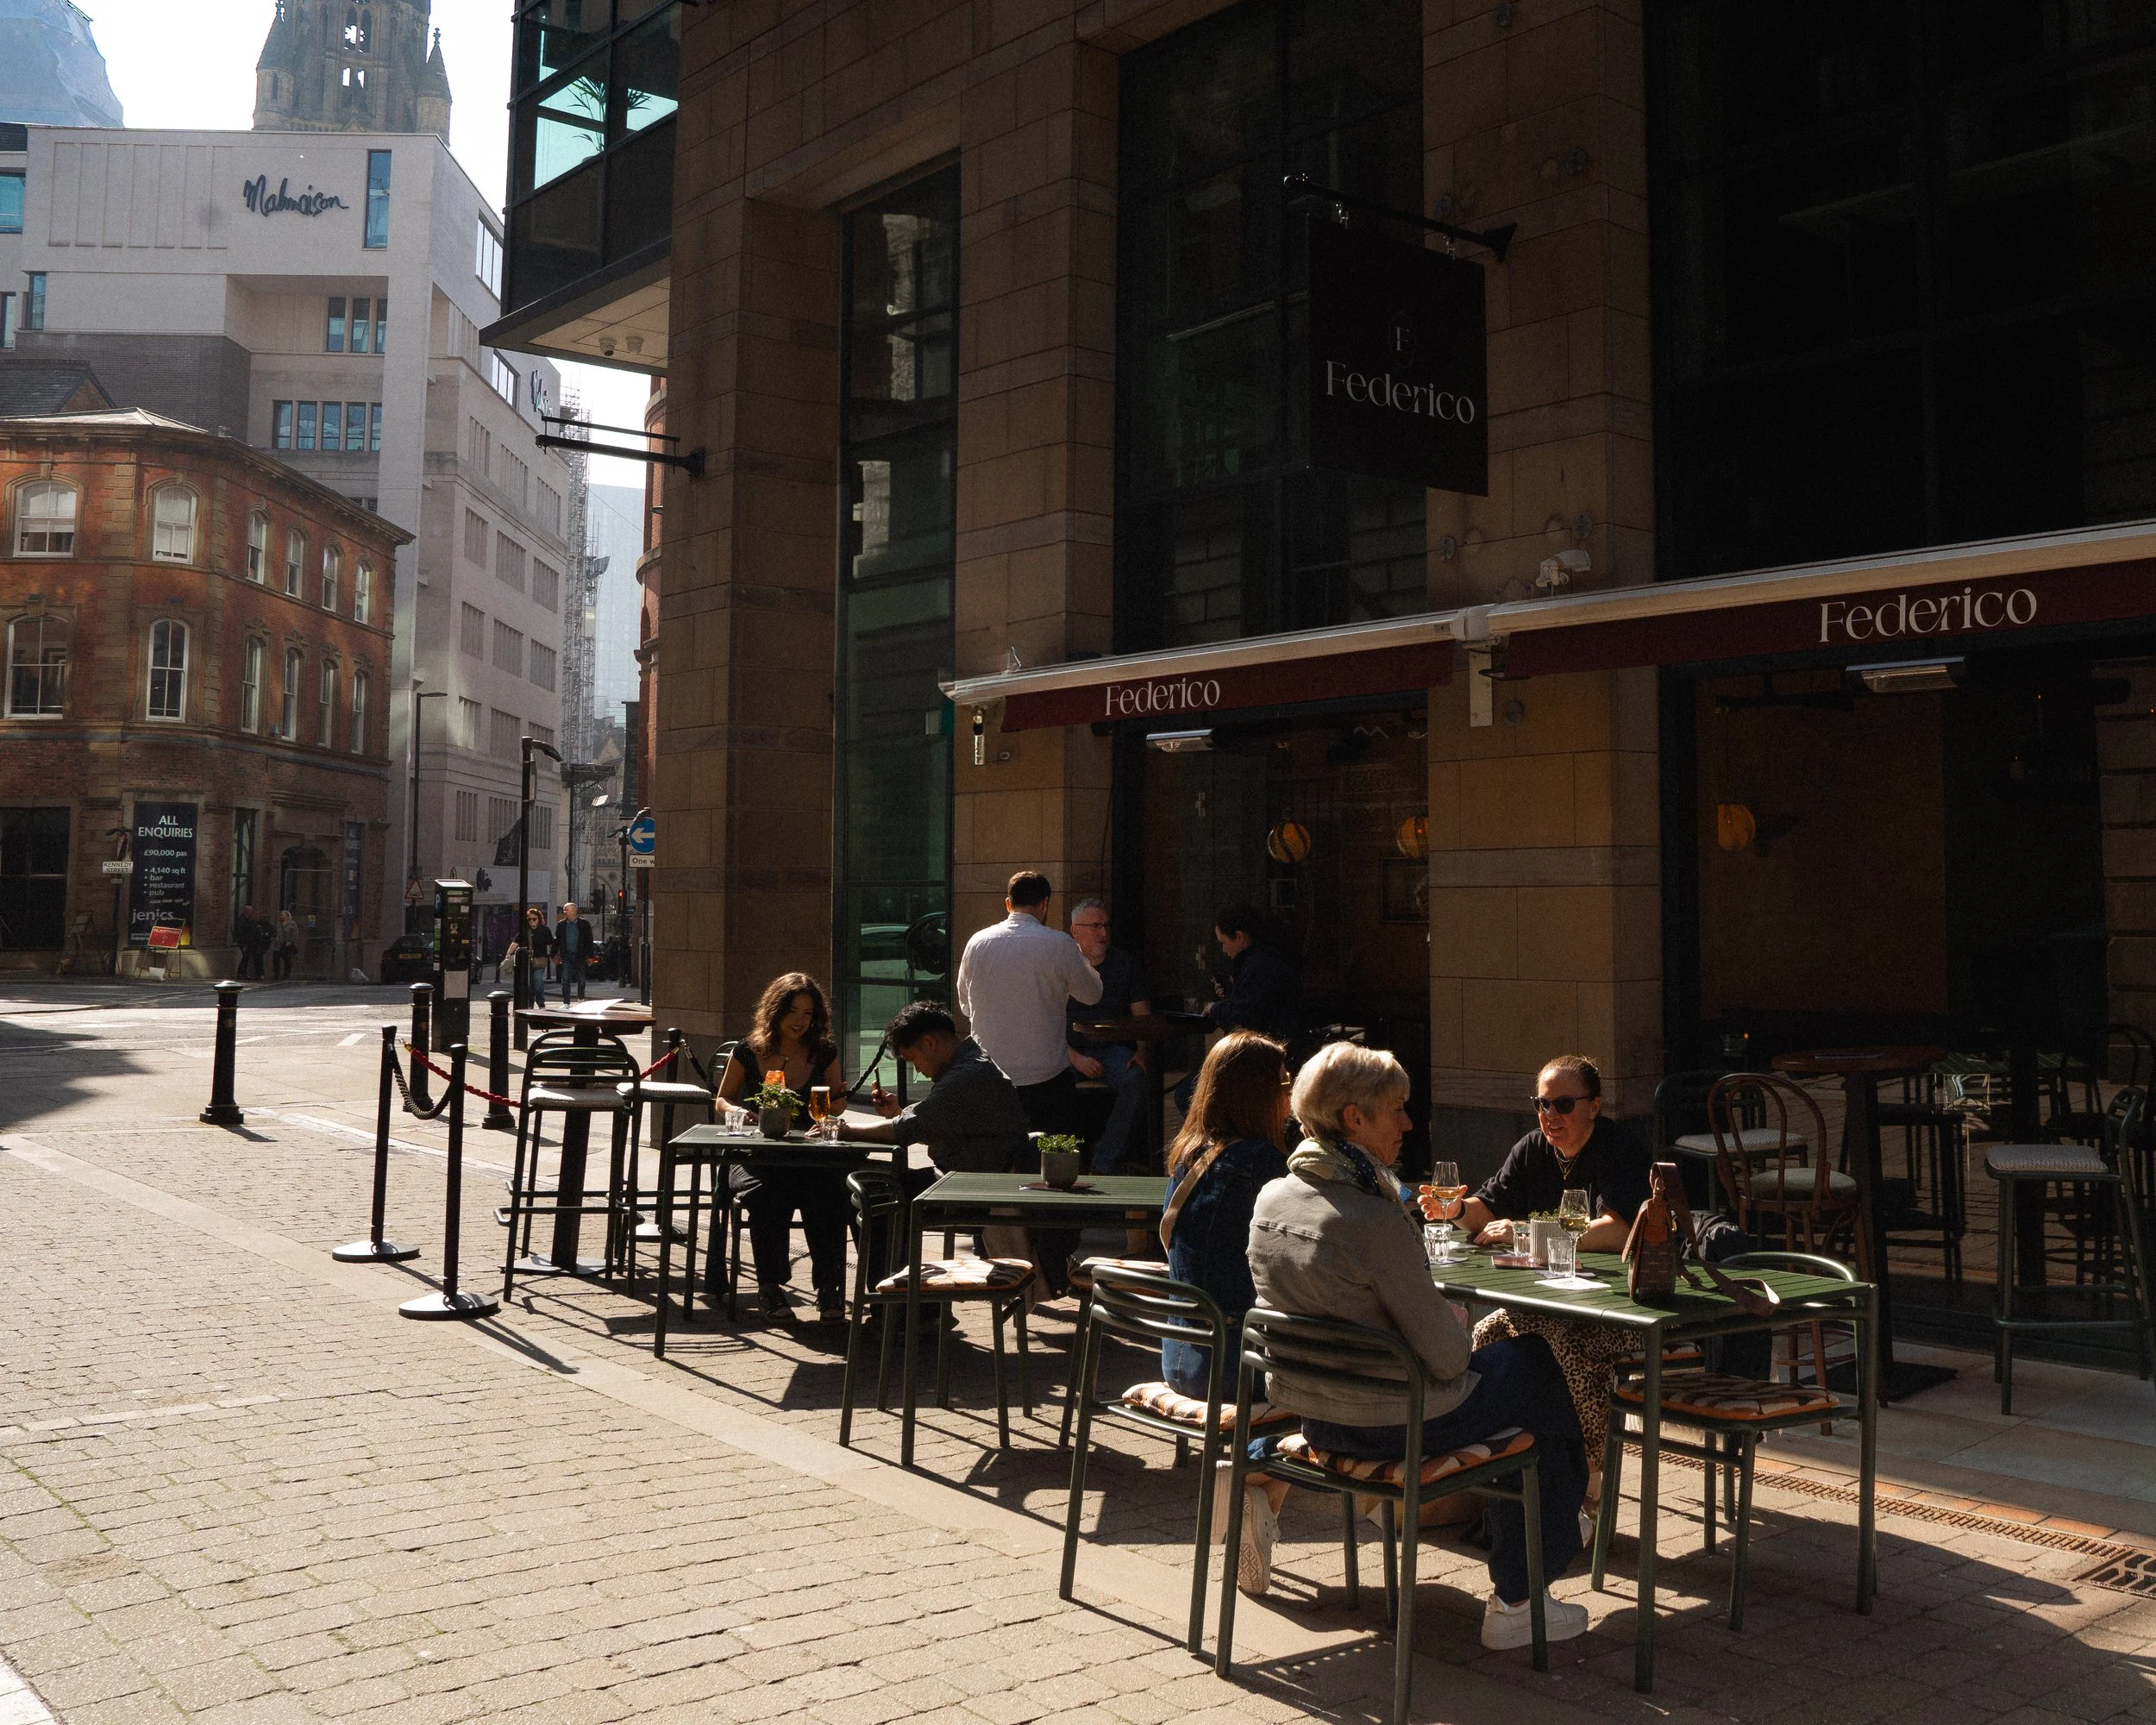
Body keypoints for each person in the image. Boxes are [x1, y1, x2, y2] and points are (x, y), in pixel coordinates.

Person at [1238, 1041, 1589, 1651]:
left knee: (1523, 1373)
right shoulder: (1370, 1215)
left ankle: (1541, 1550)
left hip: (1319, 1418)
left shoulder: (1271, 1199)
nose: (1408, 1122)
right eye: (1397, 1109)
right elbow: (1451, 1361)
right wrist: (1450, 1322)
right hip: (1391, 1425)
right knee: (1536, 1369)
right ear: (1354, 1118)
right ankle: (1521, 1596)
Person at [1428, 1054, 1651, 1484]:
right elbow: (1486, 1208)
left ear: (1594, 1106)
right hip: (1555, 1305)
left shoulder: (1618, 1148)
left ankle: (1585, 1480)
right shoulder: (1532, 1149)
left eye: (1564, 1105)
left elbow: (1619, 1231)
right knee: (1483, 1337)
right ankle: (1491, 1473)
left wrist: (1528, 1233)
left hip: (1622, 1308)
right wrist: (1455, 1209)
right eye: (1542, 1104)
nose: (1551, 1116)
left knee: (1565, 1349)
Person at [844, 1001, 1038, 1287]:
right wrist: (898, 1114)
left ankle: (903, 1312)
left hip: (973, 1193)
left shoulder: (966, 1076)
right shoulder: (971, 1063)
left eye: (913, 1060)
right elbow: (939, 1124)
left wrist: (845, 1130)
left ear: (929, 1043)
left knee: (875, 1201)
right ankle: (911, 1309)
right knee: (875, 1188)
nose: (918, 1070)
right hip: (969, 1182)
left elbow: (908, 1129)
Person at [1157, 1032, 1289, 1398]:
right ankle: (1262, 1452)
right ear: (1258, 1093)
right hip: (1237, 1366)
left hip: (1181, 1357)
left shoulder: (1189, 1155)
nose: (1290, 1094)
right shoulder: (1258, 1161)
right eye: (1284, 1082)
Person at [717, 974, 848, 1323]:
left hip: (809, 1153)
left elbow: (836, 1103)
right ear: (775, 1010)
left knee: (828, 1193)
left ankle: (829, 1288)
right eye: (792, 1011)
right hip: (757, 1154)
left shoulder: (823, 1052)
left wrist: (837, 1105)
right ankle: (770, 1288)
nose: (800, 1020)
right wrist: (739, 1111)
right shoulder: (749, 1049)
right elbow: (723, 1099)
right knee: (766, 1196)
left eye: (807, 1013)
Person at [955, 870, 1102, 1139]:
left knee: (995, 1159)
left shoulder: (976, 942)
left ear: (1008, 904)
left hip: (988, 1073)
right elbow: (1092, 994)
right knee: (1051, 1158)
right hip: (1046, 1078)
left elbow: (966, 1007)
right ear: (1045, 903)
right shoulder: (1060, 944)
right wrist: (1086, 959)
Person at [1066, 899, 1151, 1174]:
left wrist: (1141, 1051)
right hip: (1069, 1050)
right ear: (1075, 931)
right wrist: (1075, 1058)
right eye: (1095, 926)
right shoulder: (1063, 965)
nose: (1103, 933)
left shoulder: (1124, 964)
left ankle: (1103, 1162)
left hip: (1113, 1049)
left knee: (1136, 1079)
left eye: (1105, 926)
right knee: (1050, 1085)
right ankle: (1063, 1161)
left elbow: (1142, 1016)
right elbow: (1045, 1022)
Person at [505, 906, 553, 1007]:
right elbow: (515, 943)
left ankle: (541, 1003)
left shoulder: (545, 930)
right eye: (529, 919)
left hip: (540, 960)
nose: (532, 921)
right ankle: (530, 1003)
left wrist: (556, 956)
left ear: (539, 919)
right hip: (526, 962)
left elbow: (551, 944)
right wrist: (509, 954)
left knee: (538, 981)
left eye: (534, 919)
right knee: (530, 984)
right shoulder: (524, 931)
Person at [554, 902, 593, 1002]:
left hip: (580, 955)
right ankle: (566, 1002)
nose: (564, 912)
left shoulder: (584, 924)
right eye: (564, 909)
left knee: (581, 979)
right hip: (567, 955)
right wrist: (554, 955)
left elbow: (589, 941)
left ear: (574, 911)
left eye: (566, 909)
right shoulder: (561, 924)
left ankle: (581, 998)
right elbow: (557, 940)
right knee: (565, 979)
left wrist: (590, 957)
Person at [233, 906, 265, 980]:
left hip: (250, 943)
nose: (252, 913)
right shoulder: (242, 921)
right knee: (245, 959)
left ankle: (243, 974)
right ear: (246, 911)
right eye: (250, 911)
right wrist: (243, 944)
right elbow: (241, 933)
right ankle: (240, 974)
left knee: (246, 959)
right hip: (244, 943)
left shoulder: (250, 920)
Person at [272, 910, 299, 981]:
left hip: (287, 944)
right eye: (280, 915)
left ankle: (286, 975)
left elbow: (295, 934)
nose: (281, 916)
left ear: (287, 916)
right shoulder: (278, 923)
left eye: (282, 915)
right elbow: (274, 932)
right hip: (278, 944)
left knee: (287, 960)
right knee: (276, 960)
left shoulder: (292, 924)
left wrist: (290, 942)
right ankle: (276, 975)